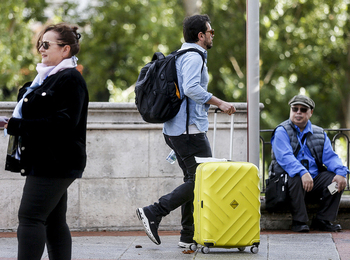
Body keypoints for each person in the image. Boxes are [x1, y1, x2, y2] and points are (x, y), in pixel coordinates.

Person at [136, 14, 236, 247]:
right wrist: (219, 102)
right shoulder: (193, 57)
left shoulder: (183, 54)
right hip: (188, 132)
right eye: (210, 31)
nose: (213, 35)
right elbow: (191, 88)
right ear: (201, 35)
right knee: (204, 180)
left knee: (193, 179)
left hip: (177, 130)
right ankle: (154, 211)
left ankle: (187, 235)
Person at [3, 23, 89, 259]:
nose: (41, 48)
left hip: (54, 162)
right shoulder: (46, 78)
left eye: (47, 44)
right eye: (40, 43)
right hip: (47, 160)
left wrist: (15, 125)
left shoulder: (70, 79)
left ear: (65, 50)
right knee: (53, 220)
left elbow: (62, 124)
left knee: (30, 218)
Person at [270, 95, 348, 232]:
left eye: (303, 109)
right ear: (291, 110)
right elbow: (286, 158)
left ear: (310, 112)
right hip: (288, 186)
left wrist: (341, 172)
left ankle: (323, 219)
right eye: (295, 109)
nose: (298, 112)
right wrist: (303, 172)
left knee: (336, 182)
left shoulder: (320, 133)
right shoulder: (281, 131)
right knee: (295, 177)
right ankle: (299, 221)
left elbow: (330, 157)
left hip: (314, 183)